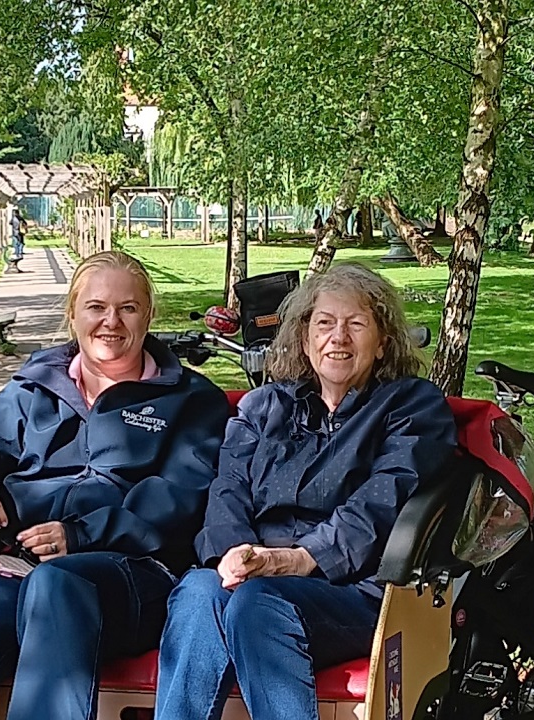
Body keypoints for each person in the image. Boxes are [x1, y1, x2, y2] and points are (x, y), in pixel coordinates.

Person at [0, 251, 230, 720]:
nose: (110, 322)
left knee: (57, 584)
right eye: (95, 307)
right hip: (17, 569)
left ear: (149, 315)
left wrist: (79, 535)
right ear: (72, 313)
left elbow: (180, 502)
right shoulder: (36, 389)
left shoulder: (192, 402)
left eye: (128, 308)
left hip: (131, 576)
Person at [154, 262, 457, 720]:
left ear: (382, 344)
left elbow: (383, 501)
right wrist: (235, 555)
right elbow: (228, 488)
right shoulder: (264, 407)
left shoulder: (411, 406)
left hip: (356, 590)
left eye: (356, 324)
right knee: (200, 589)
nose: (338, 338)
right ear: (304, 338)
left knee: (259, 602)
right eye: (325, 324)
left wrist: (298, 559)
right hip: (256, 574)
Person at [9, 207, 27, 272]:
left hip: (15, 232)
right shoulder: (21, 218)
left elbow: (10, 223)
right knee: (21, 243)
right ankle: (20, 252)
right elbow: (25, 224)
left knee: (16, 243)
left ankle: (17, 253)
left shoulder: (13, 219)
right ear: (18, 213)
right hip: (20, 232)